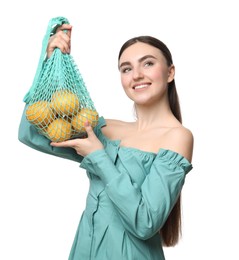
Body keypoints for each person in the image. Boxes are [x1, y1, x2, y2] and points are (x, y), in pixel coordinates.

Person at [18, 23, 194, 260]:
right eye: (126, 68)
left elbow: (145, 222)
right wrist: (49, 60)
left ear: (170, 72)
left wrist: (99, 156)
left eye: (148, 63)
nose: (137, 75)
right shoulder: (106, 128)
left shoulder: (178, 137)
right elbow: (32, 134)